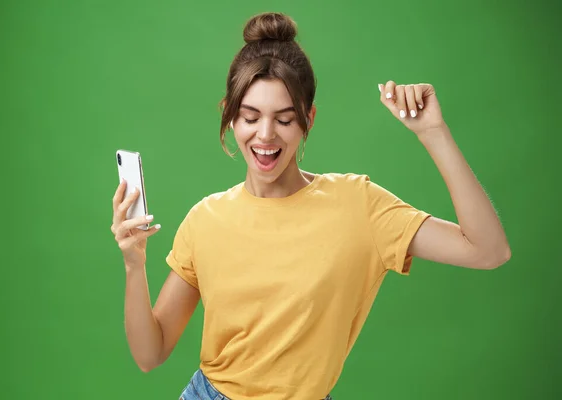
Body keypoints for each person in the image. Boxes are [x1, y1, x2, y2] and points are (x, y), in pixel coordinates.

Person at [110, 12, 511, 400]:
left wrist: (433, 132)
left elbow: (488, 250)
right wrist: (134, 263)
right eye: (250, 116)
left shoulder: (358, 206)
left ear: (309, 119)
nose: (265, 135)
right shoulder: (205, 219)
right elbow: (151, 354)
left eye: (284, 119)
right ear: (230, 117)